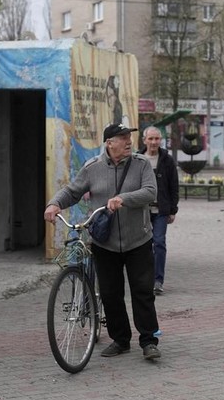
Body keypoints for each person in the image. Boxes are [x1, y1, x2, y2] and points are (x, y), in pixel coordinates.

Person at [44, 123, 162, 360]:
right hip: (104, 243)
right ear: (109, 143)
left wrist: (124, 198)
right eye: (123, 138)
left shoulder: (141, 165)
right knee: (110, 293)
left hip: (138, 239)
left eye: (129, 137)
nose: (129, 142)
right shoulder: (92, 168)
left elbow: (151, 192)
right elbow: (72, 191)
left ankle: (149, 341)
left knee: (142, 292)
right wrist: (54, 203)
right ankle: (120, 340)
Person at [138, 126, 179, 295]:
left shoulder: (167, 160)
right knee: (142, 246)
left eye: (157, 139)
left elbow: (173, 186)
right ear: (144, 140)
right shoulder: (138, 159)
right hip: (142, 211)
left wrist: (173, 210)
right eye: (151, 139)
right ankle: (143, 279)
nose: (154, 142)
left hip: (161, 211)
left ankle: (158, 280)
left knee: (159, 243)